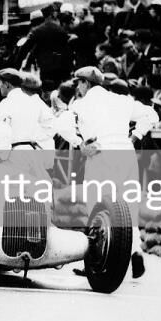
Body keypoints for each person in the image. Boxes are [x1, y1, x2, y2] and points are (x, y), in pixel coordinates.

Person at [55, 67, 154, 279]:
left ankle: (94, 259)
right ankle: (135, 251)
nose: (77, 88)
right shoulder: (121, 100)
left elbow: (61, 124)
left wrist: (79, 144)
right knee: (128, 205)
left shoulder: (81, 104)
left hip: (99, 152)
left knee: (97, 208)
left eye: (79, 83)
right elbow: (151, 114)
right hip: (125, 152)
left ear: (86, 84)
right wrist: (135, 136)